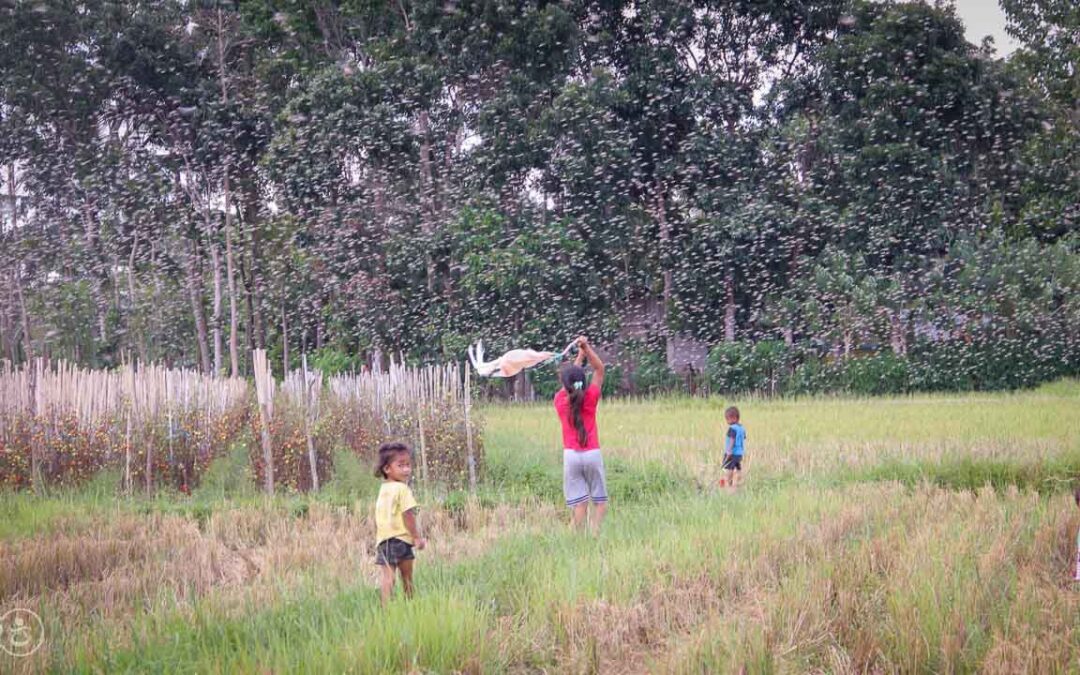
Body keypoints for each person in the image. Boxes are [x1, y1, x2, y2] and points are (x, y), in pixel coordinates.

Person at [554, 335, 608, 533]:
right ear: (582, 382)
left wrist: (579, 356)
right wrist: (587, 348)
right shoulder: (591, 397)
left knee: (580, 504)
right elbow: (599, 369)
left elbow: (571, 380)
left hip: (571, 456)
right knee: (599, 502)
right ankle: (594, 535)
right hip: (592, 454)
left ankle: (573, 538)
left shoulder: (559, 401)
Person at [373, 442, 426, 606]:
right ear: (387, 469)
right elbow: (407, 514)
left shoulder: (384, 490)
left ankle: (385, 608)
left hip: (384, 540)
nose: (406, 470)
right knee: (407, 577)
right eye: (401, 466)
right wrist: (416, 538)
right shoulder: (402, 489)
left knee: (388, 577)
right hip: (401, 540)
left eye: (408, 465)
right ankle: (411, 604)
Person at [720, 406, 747, 489]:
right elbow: (743, 438)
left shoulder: (732, 429)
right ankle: (738, 483)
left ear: (735, 418)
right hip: (739, 453)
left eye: (728, 419)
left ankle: (729, 484)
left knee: (728, 469)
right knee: (738, 469)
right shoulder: (742, 428)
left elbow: (732, 440)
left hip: (732, 453)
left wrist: (729, 452)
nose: (727, 421)